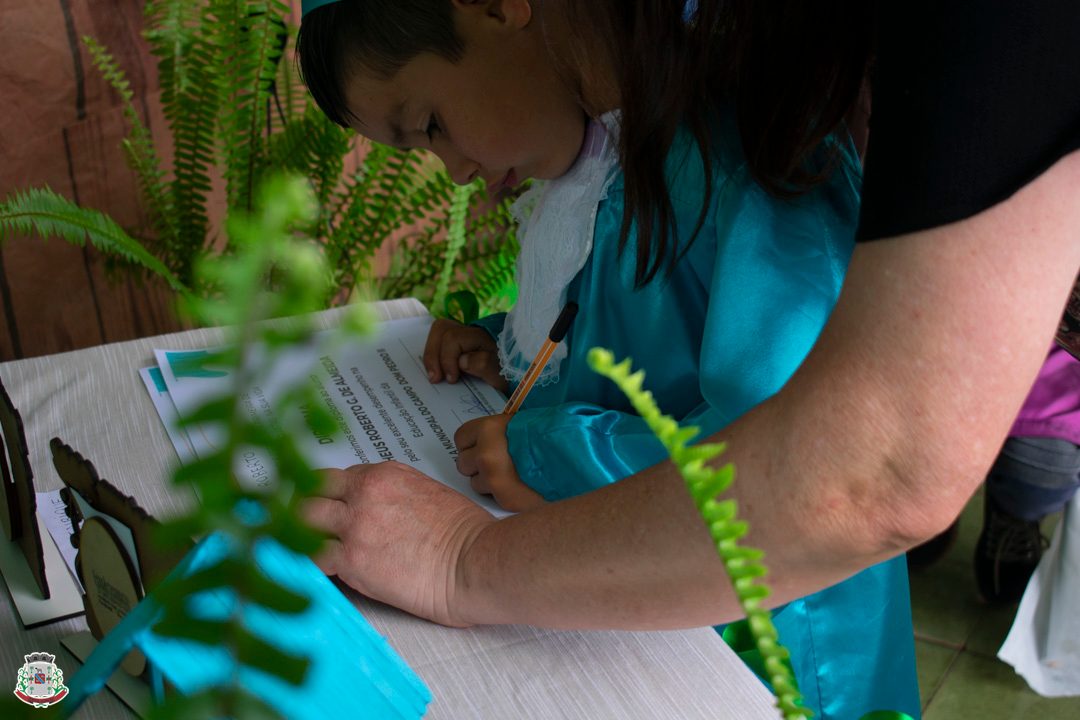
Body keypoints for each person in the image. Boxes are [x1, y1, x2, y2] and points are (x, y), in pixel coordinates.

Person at [297, 0, 1080, 714]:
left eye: (429, 124)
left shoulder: (742, 163)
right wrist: (512, 349)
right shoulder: (615, 154)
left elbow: (793, 448)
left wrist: (546, 451)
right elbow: (623, 337)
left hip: (775, 648)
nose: (458, 173)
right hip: (649, 599)